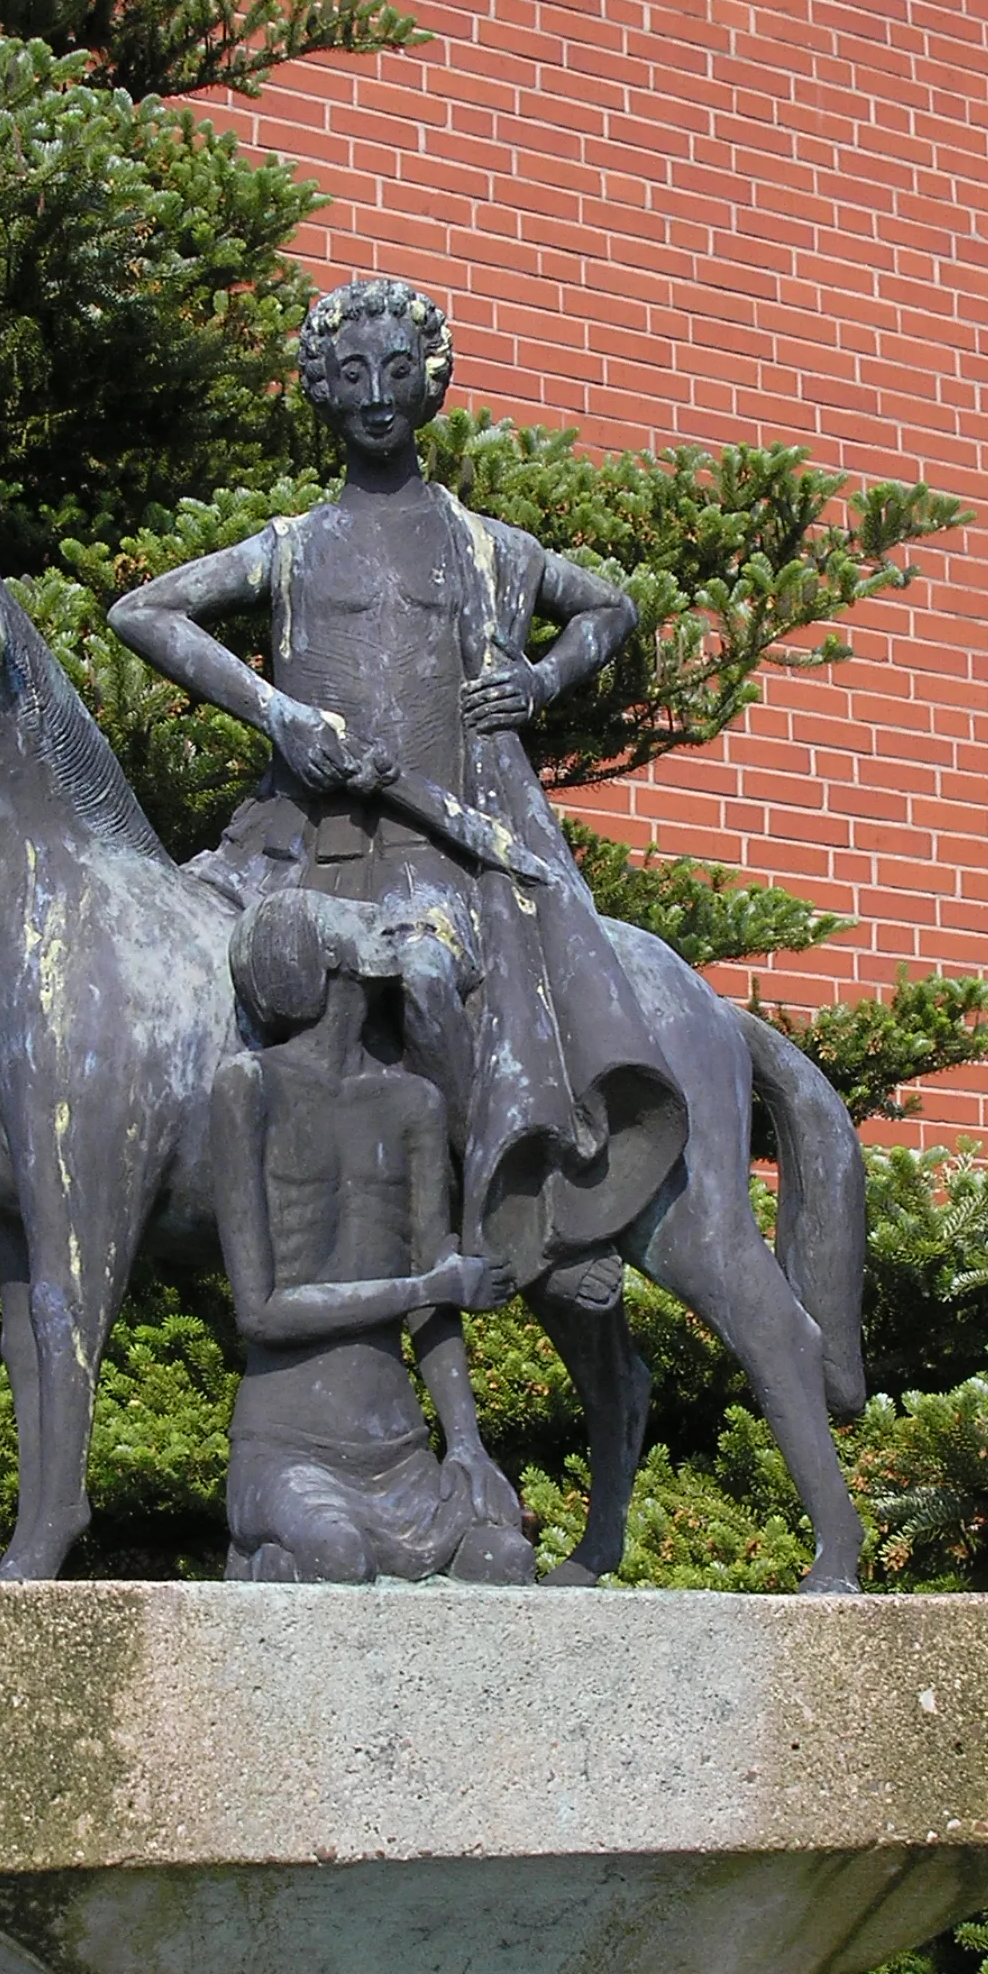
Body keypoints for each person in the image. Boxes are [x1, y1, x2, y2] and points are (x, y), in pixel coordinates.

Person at [109, 276, 688, 1306]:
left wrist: (543, 679)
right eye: (348, 376)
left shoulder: (488, 547)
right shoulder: (290, 545)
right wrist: (278, 714)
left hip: (435, 855)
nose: (374, 393)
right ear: (323, 394)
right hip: (292, 850)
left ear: (430, 385)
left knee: (424, 979)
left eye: (393, 372)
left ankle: (507, 1221)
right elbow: (146, 611)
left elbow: (610, 607)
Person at [212, 891, 534, 1585]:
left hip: (399, 1455)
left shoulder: (413, 1102)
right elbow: (261, 1310)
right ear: (326, 958)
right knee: (336, 1555)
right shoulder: (251, 1088)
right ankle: (262, 1569)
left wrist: (468, 1446)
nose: (380, 922)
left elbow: (434, 1301)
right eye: (357, 917)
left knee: (504, 1559)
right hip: (287, 1452)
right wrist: (429, 1285)